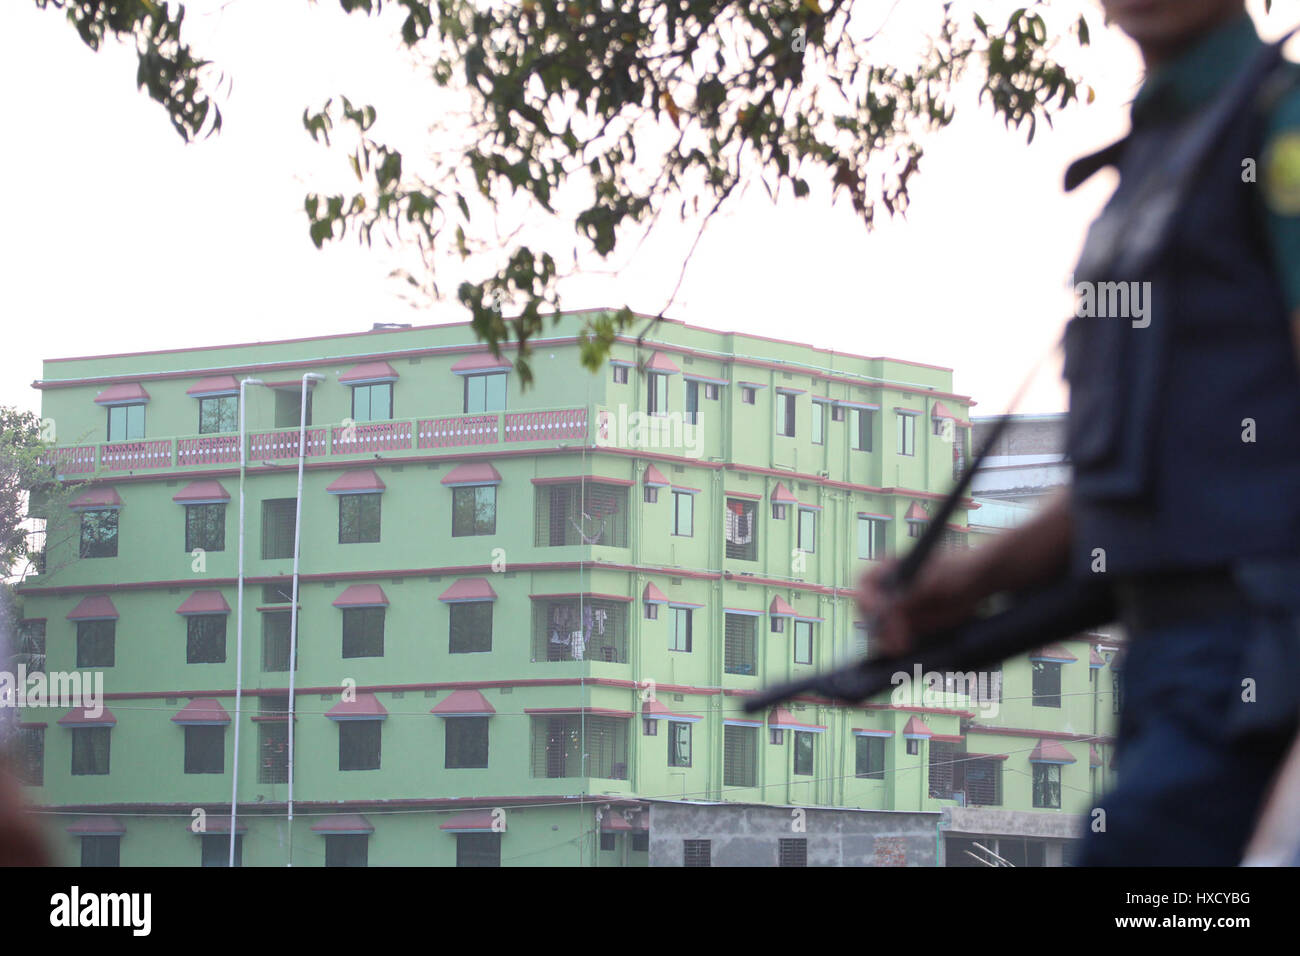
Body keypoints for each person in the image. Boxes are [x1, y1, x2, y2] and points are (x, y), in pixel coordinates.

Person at [859, 0, 1300, 866]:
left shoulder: (1278, 126)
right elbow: (1141, 468)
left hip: (1257, 657)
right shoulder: (1157, 161)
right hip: (1167, 657)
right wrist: (972, 578)